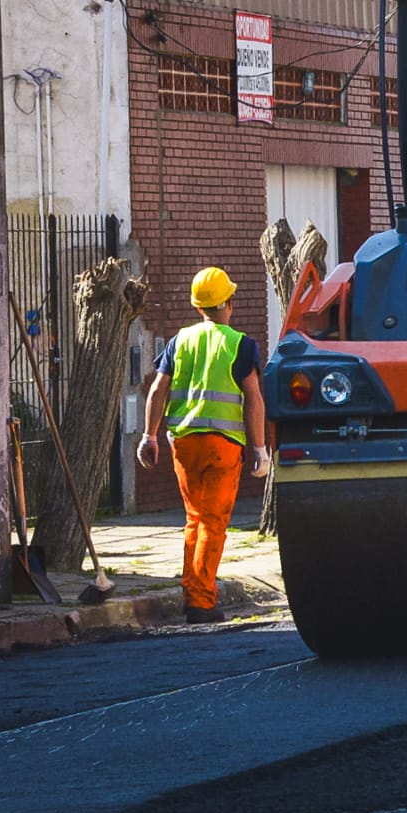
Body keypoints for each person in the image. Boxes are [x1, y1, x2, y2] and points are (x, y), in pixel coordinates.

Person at [136, 266, 270, 624]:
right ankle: (200, 601)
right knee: (212, 521)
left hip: (183, 443)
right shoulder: (241, 344)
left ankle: (193, 590)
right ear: (228, 303)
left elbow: (157, 389)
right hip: (222, 445)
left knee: (195, 518)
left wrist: (149, 435)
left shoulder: (180, 341)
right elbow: (254, 399)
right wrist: (260, 449)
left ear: (198, 307)